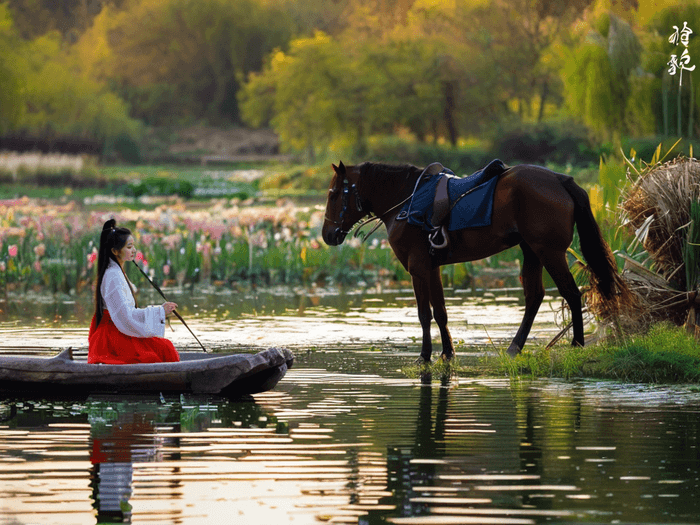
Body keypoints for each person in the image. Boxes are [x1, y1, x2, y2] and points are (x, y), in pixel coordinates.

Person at [88, 219, 180, 364]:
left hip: (118, 328)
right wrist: (160, 311)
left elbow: (126, 314)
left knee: (164, 348)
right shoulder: (113, 276)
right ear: (115, 251)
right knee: (163, 350)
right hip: (112, 335)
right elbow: (126, 316)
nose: (134, 250)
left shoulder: (117, 272)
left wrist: (160, 311)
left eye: (133, 246)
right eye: (129, 247)